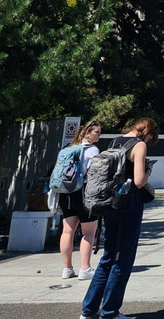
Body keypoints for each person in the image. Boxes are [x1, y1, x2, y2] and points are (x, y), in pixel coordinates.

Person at [80, 118, 158, 319]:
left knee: (108, 256)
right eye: (151, 138)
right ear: (147, 133)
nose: (149, 142)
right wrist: (148, 169)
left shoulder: (115, 141)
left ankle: (89, 310)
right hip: (128, 202)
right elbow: (139, 181)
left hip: (110, 203)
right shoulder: (139, 145)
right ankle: (110, 311)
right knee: (123, 258)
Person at [60, 120, 101, 281]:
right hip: (84, 193)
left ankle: (67, 268)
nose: (99, 135)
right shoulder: (92, 150)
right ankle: (85, 268)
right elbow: (95, 173)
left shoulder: (68, 148)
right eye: (96, 132)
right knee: (89, 232)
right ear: (87, 133)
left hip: (66, 193)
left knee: (67, 231)